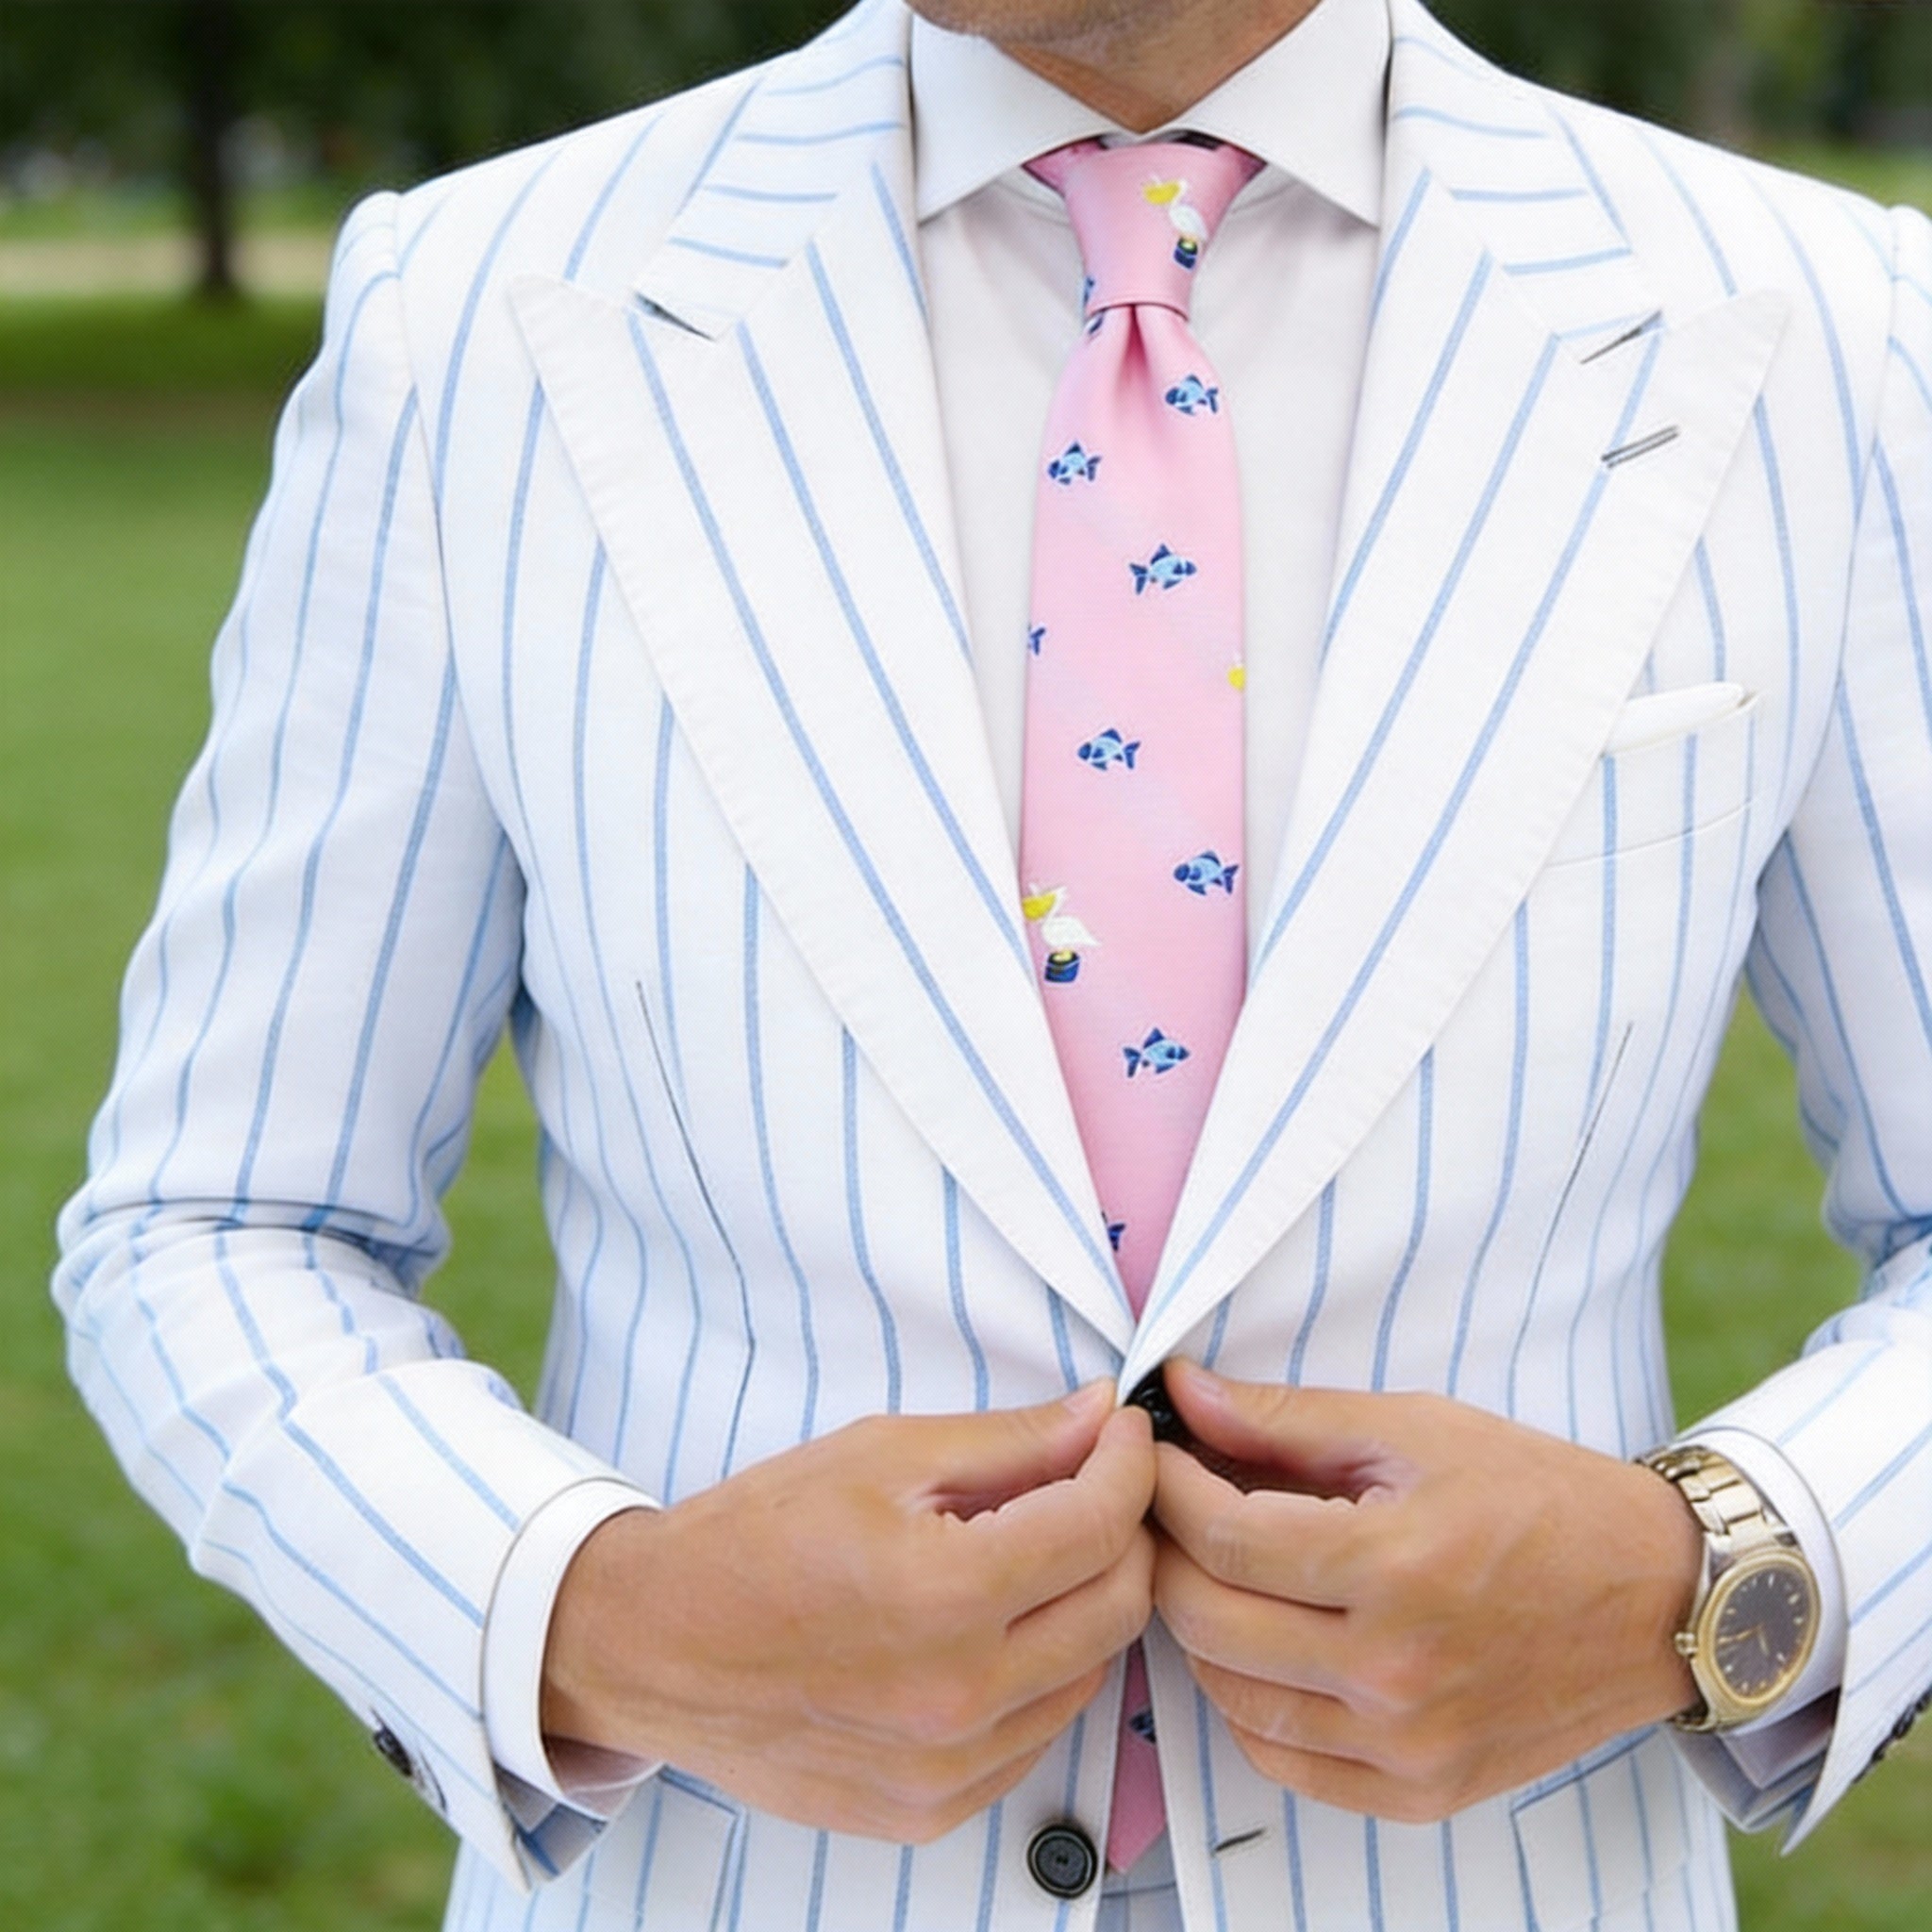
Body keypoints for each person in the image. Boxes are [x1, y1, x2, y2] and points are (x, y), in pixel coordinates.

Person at [53, 0, 1932, 1925]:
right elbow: (218, 1220)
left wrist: (1706, 1577)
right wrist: (594, 1618)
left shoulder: (1822, 325)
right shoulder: (477, 312)